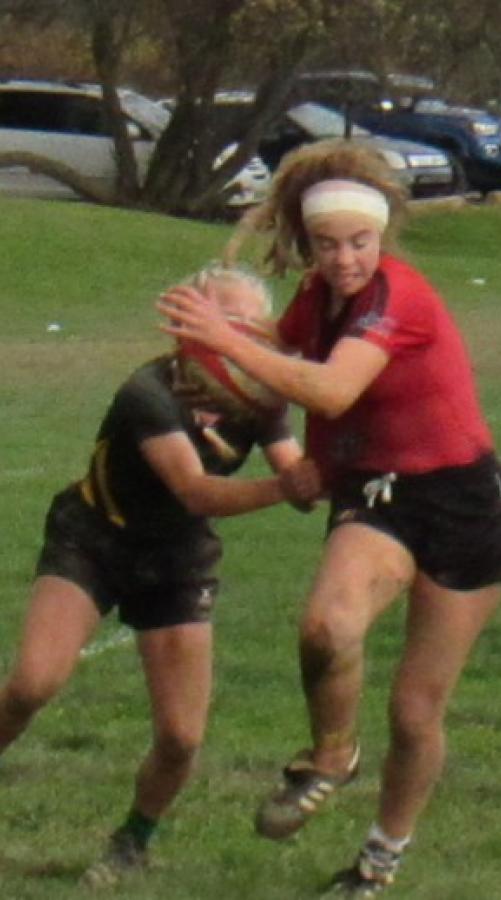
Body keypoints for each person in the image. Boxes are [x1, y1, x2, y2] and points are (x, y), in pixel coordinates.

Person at [157, 142, 501, 895]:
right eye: (328, 246)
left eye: (359, 243)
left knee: (417, 711)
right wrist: (208, 350)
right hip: (379, 492)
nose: (345, 259)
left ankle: (378, 861)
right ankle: (332, 756)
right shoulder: (319, 296)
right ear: (310, 244)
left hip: (463, 503)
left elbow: (328, 392)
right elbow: (277, 356)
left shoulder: (399, 295)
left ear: (380, 236)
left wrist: (224, 341)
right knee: (326, 625)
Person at [0, 265, 310, 887]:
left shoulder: (254, 398)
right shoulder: (150, 391)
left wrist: (324, 469)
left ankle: (132, 843)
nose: (237, 337)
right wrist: (288, 487)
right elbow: (195, 490)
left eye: (248, 325)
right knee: (33, 682)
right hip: (94, 539)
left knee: (180, 736)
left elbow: (297, 468)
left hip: (176, 560)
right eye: (223, 321)